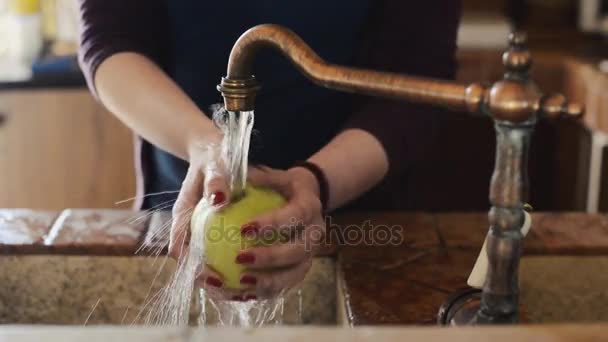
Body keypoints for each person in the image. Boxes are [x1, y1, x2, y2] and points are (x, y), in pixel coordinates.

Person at [78, 0, 462, 300]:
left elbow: (417, 78)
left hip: (359, 223)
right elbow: (111, 42)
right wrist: (204, 146)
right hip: (184, 207)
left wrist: (318, 182)